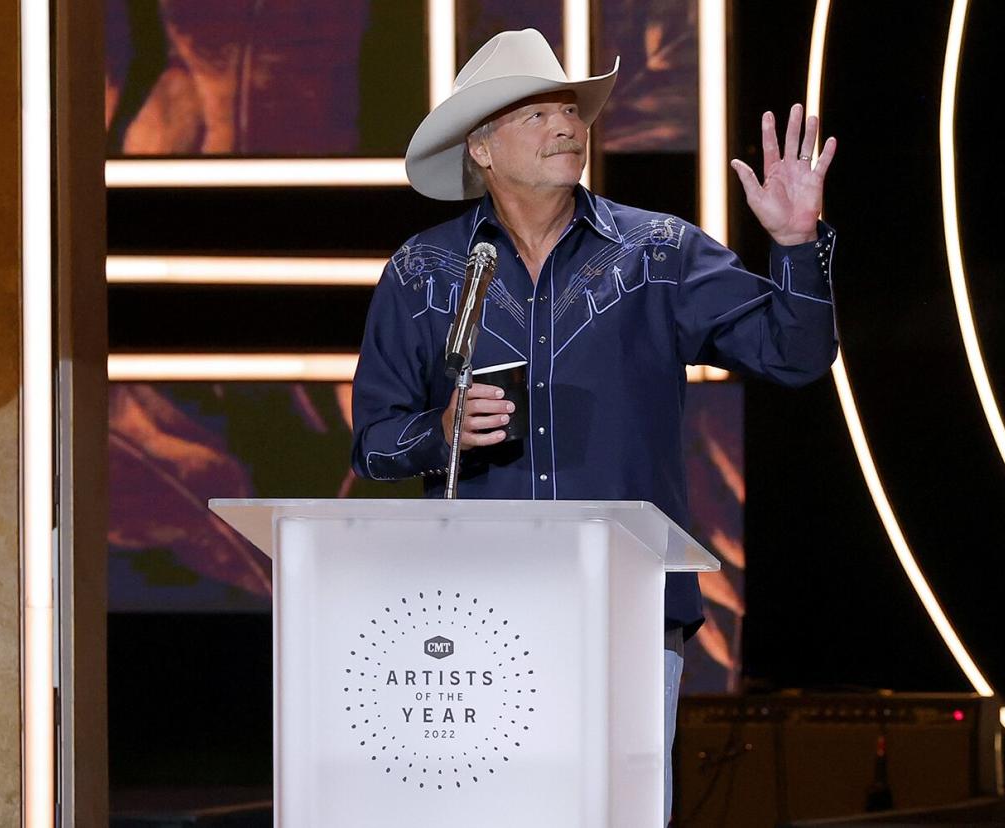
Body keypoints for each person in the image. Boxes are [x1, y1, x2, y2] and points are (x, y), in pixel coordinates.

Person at [350, 28, 838, 824]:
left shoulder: (659, 252)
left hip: (630, 607)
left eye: (571, 111)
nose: (567, 127)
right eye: (537, 113)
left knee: (620, 812)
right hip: (479, 614)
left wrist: (794, 244)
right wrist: (439, 431)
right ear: (480, 146)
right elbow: (372, 443)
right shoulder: (425, 272)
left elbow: (795, 356)